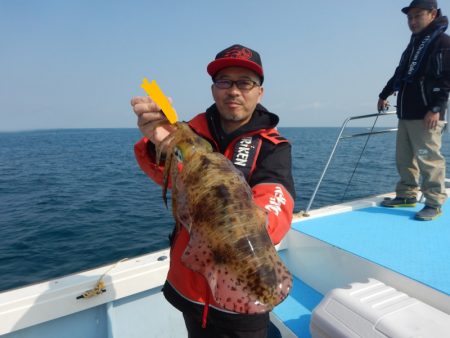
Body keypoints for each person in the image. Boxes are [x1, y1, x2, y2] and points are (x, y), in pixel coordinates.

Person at [131, 44, 295, 337]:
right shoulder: (188, 133)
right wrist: (160, 143)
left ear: (260, 92)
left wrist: (245, 220)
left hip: (242, 299)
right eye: (224, 81)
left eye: (245, 82)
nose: (234, 90)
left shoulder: (272, 146)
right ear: (213, 89)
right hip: (190, 289)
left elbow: (276, 203)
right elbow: (168, 177)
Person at [378, 0, 450, 220]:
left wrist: (436, 108)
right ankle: (407, 195)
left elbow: (446, 79)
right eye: (409, 17)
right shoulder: (415, 44)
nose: (412, 21)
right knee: (405, 158)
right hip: (407, 113)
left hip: (427, 114)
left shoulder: (442, 42)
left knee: (428, 159)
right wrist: (384, 94)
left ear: (433, 14)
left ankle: (434, 202)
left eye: (418, 16)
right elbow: (400, 72)